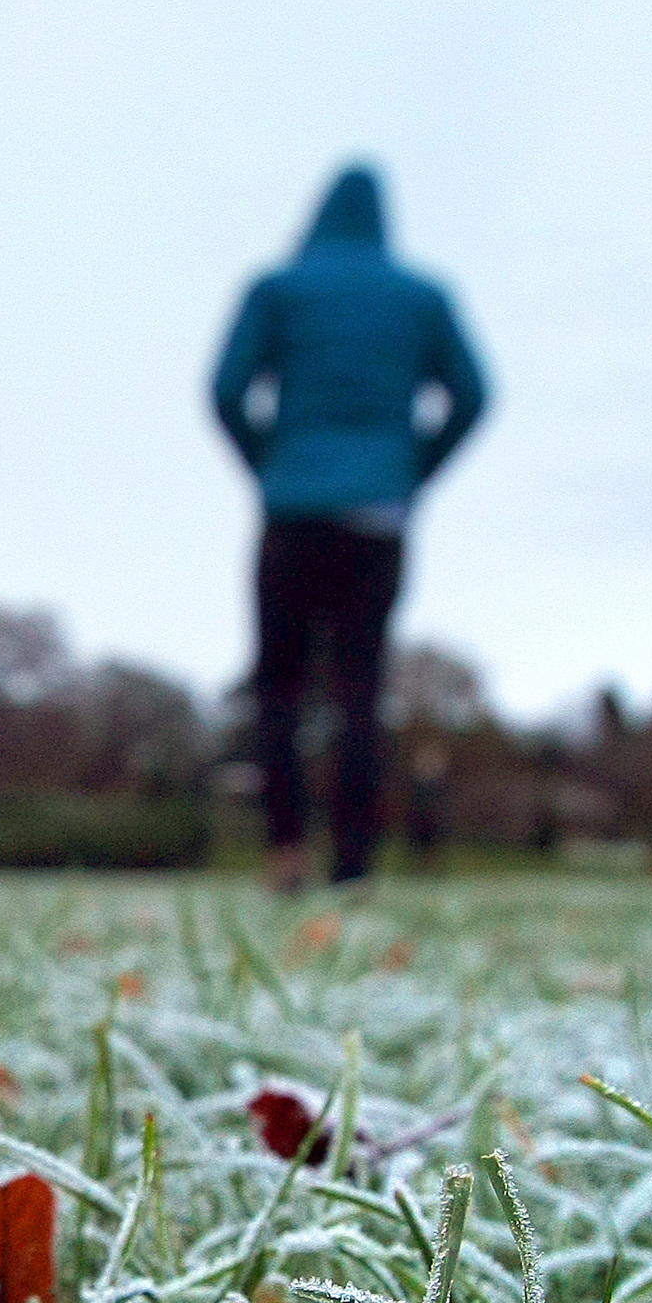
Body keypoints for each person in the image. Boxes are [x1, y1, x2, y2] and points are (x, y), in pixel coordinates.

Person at [210, 163, 490, 889]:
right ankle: (354, 863)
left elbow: (226, 388)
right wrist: (412, 468)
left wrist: (268, 465)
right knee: (360, 690)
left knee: (280, 686)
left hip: (293, 510)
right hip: (379, 517)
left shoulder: (279, 289)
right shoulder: (421, 297)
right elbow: (472, 393)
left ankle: (286, 851)